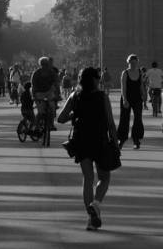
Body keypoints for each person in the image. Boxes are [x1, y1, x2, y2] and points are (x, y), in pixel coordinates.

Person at [57, 67, 118, 231]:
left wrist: (74, 114)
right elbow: (111, 123)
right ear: (95, 80)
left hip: (81, 140)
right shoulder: (102, 96)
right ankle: (96, 204)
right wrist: (116, 143)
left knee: (88, 179)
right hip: (100, 140)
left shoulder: (74, 96)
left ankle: (91, 219)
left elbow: (60, 118)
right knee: (104, 177)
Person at [117, 54, 146, 149]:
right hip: (127, 98)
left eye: (135, 62)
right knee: (124, 119)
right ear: (128, 63)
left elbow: (141, 85)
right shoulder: (125, 73)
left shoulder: (140, 72)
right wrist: (124, 99)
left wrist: (144, 96)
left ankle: (136, 140)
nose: (133, 64)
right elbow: (123, 87)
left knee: (138, 118)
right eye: (131, 63)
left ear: (137, 62)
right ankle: (121, 139)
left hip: (137, 98)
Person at [31, 57, 60, 129]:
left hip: (49, 92)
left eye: (46, 64)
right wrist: (34, 96)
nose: (45, 66)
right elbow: (33, 85)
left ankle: (51, 124)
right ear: (41, 65)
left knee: (52, 108)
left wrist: (57, 94)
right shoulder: (36, 73)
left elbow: (56, 84)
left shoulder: (52, 73)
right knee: (40, 112)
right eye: (43, 64)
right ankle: (36, 126)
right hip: (39, 92)